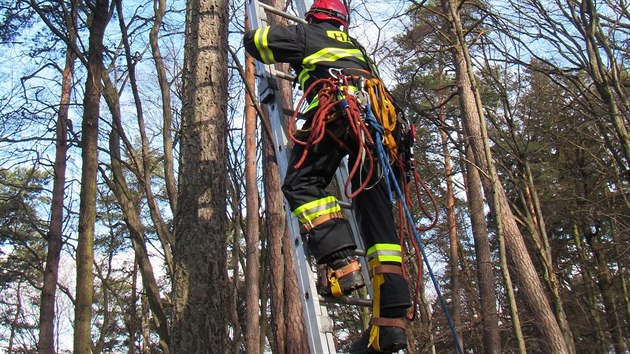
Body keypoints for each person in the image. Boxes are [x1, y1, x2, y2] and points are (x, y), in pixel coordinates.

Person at [244, 0, 410, 352]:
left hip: (336, 115)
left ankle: (342, 264)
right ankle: (391, 327)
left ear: (315, 15)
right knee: (379, 224)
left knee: (302, 183)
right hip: (377, 131)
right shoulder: (357, 48)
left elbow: (256, 41)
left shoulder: (308, 34)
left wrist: (291, 41)